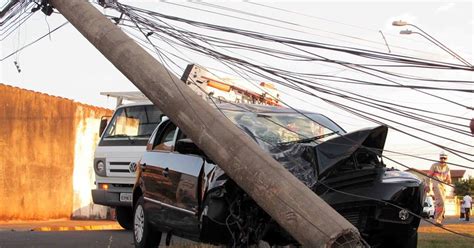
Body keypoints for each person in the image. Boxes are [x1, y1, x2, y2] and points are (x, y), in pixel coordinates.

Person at [427, 152, 452, 225]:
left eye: (444, 158)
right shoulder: (434, 165)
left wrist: (449, 181)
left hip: (443, 187)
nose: (443, 159)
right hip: (436, 185)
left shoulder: (447, 168)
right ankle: (437, 220)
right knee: (441, 203)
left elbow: (449, 179)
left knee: (441, 204)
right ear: (439, 158)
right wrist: (427, 185)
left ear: (446, 159)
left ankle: (438, 220)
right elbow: (428, 176)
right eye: (441, 158)